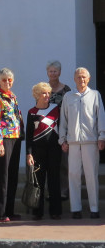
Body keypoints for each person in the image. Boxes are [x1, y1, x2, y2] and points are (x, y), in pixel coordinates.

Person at [59, 67, 105, 219]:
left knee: (91, 175)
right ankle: (76, 208)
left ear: (89, 78)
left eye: (84, 77)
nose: (81, 79)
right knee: (73, 174)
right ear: (74, 79)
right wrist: (62, 139)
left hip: (90, 141)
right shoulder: (68, 97)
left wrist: (101, 136)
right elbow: (63, 120)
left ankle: (94, 208)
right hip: (72, 142)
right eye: (79, 77)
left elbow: (101, 117)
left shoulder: (95, 95)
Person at [0, 67, 24, 223]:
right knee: (3, 176)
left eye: (10, 79)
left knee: (13, 176)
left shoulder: (13, 96)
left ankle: (9, 210)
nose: (7, 82)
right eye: (4, 79)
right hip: (3, 140)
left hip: (15, 138)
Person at [26, 82, 62, 220]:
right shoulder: (31, 112)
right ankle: (37, 212)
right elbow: (29, 135)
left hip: (55, 150)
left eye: (48, 93)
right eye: (43, 93)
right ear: (37, 95)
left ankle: (55, 211)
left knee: (54, 179)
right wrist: (29, 153)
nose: (47, 95)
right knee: (39, 182)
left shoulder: (56, 108)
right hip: (37, 152)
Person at [46, 60, 71, 200]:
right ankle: (50, 190)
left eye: (55, 71)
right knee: (49, 162)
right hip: (47, 130)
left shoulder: (66, 90)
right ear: (47, 73)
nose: (53, 73)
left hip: (63, 129)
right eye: (51, 71)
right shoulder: (43, 88)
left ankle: (63, 190)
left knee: (63, 161)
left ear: (60, 72)